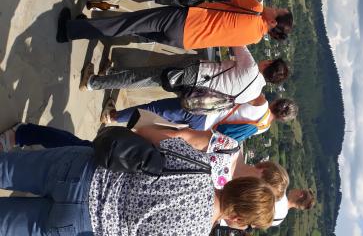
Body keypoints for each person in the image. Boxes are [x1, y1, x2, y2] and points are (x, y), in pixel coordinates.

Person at [0, 135, 275, 234]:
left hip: (86, 171)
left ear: (239, 183)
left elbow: (149, 135)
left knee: (7, 169)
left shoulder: (199, 166)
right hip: (83, 224)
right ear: (238, 219)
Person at [0, 122, 289, 199]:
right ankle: (24, 133)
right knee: (81, 150)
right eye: (262, 184)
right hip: (143, 159)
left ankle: (25, 147)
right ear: (262, 168)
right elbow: (185, 137)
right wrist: (146, 136)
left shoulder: (228, 186)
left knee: (79, 157)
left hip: (140, 180)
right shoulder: (230, 150)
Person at [57, 0, 293, 49]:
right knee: (134, 29)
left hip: (185, 20)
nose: (273, 6)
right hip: (185, 41)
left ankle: (71, 31)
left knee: (129, 23)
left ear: (273, 21)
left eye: (277, 10)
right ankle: (84, 28)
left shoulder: (256, 10)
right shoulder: (254, 38)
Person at [78, 47, 289, 103]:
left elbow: (236, 39)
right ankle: (110, 73)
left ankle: (93, 83)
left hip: (194, 73)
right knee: (149, 77)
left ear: (269, 63)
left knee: (145, 77)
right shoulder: (253, 94)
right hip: (194, 93)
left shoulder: (250, 67)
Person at [102, 95, 298, 142]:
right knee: (161, 128)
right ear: (282, 119)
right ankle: (120, 135)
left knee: (156, 109)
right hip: (204, 130)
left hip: (203, 111)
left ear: (277, 101)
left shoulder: (261, 102)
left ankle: (113, 116)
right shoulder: (263, 127)